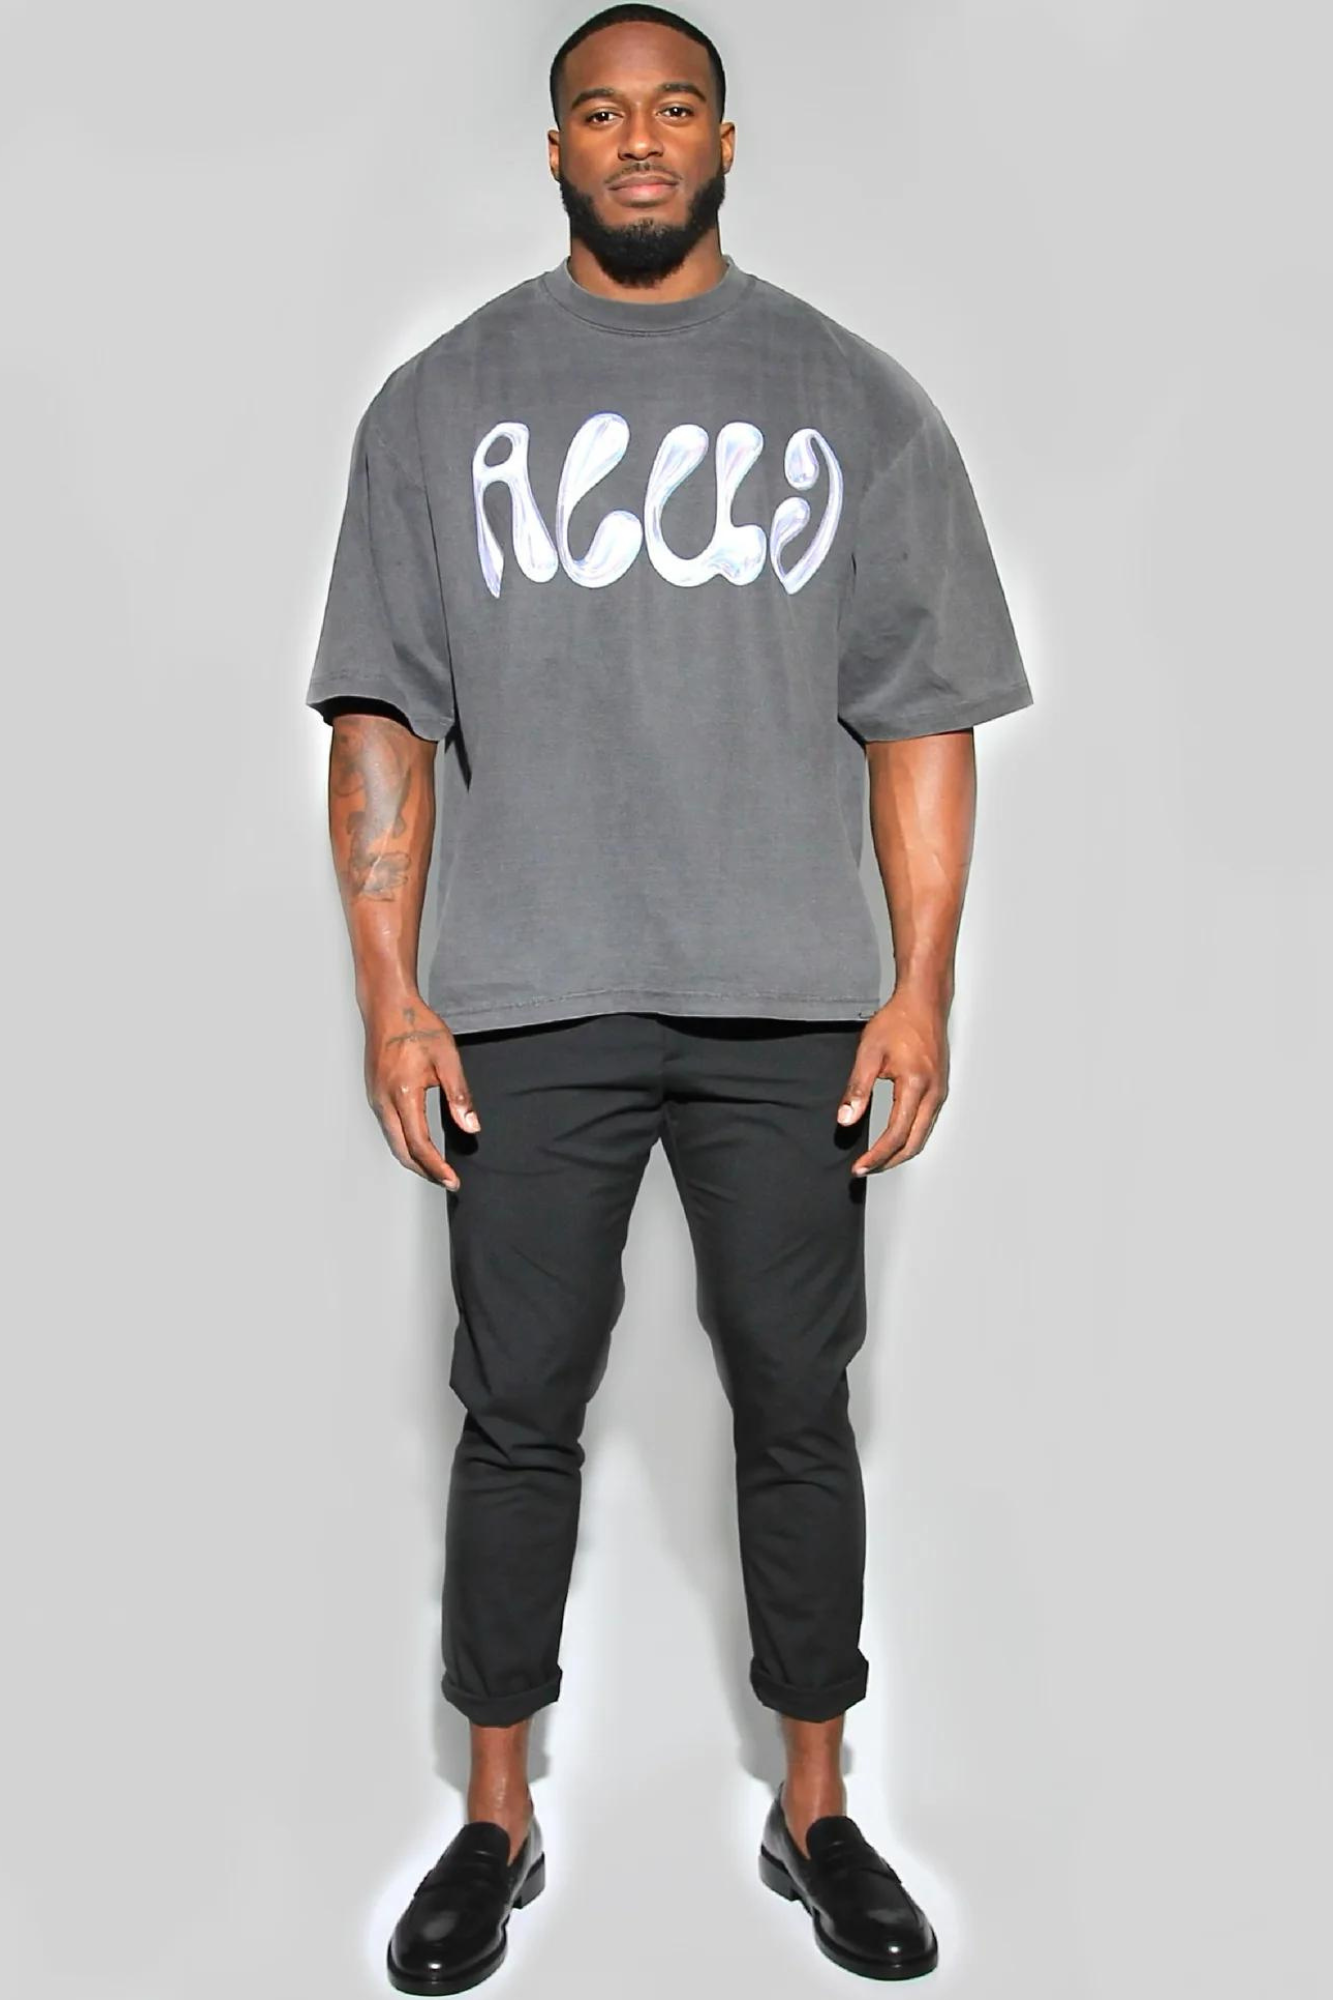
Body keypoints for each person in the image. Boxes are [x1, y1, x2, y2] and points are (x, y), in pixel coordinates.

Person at [305, 5, 1034, 1989]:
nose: (640, 141)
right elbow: (378, 718)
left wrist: (920, 991)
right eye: (602, 114)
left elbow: (926, 718)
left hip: (789, 1002)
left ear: (725, 138)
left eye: (675, 108)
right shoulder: (442, 405)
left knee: (799, 1406)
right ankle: (495, 1816)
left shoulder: (852, 399)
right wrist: (391, 993)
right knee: (515, 1410)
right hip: (527, 997)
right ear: (555, 149)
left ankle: (819, 1809)